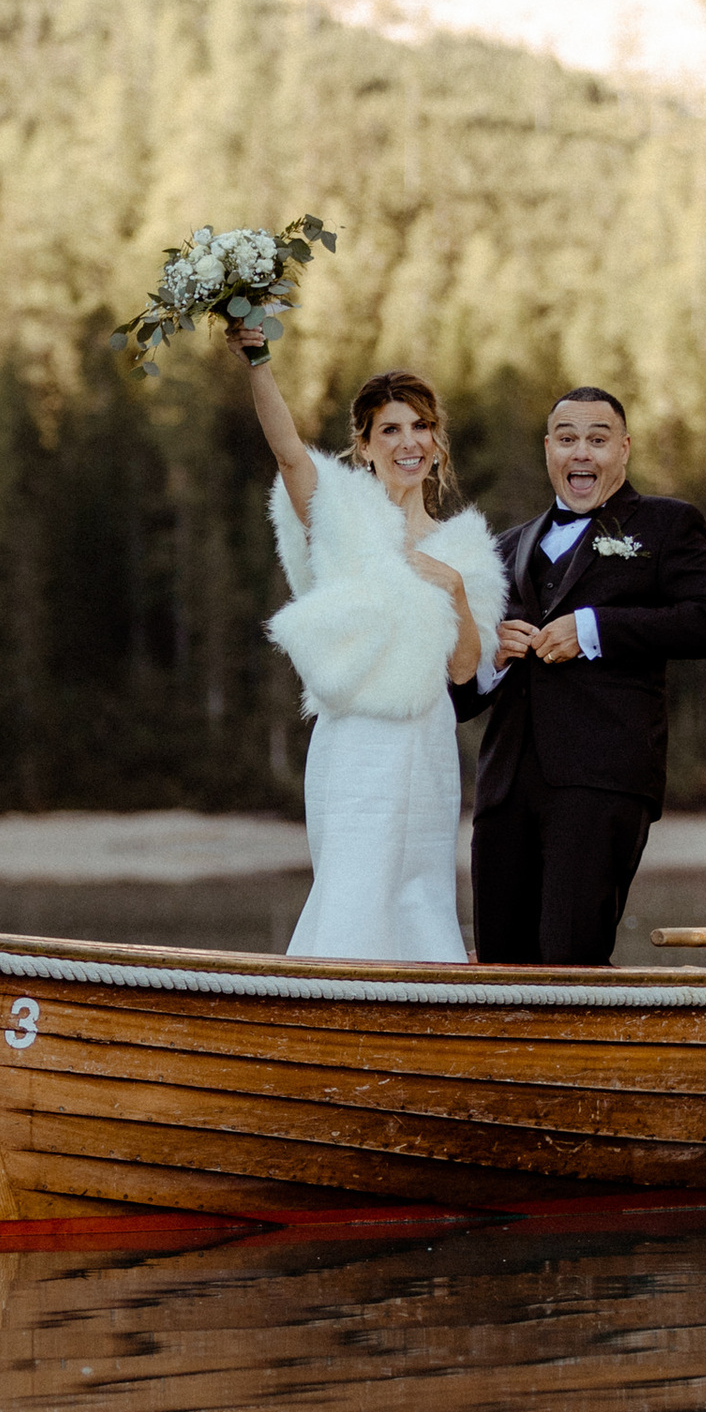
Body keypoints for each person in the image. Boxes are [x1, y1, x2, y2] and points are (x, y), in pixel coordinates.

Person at [234, 341, 505, 962]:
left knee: (420, 889)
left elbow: (465, 670)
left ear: (436, 441)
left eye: (420, 427)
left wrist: (455, 590)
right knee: (355, 884)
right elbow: (288, 453)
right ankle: (329, 1002)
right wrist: (257, 361)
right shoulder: (340, 515)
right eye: (391, 429)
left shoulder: (465, 549)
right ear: (365, 445)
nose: (409, 442)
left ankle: (423, 1005)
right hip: (356, 741)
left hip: (428, 744)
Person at [456, 386, 706, 965]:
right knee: (498, 966)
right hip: (504, 787)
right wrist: (491, 658)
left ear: (624, 449)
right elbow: (461, 700)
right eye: (567, 439)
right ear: (548, 450)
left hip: (602, 780)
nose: (581, 452)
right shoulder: (506, 547)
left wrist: (593, 629)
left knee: (571, 960)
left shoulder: (667, 524)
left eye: (597, 439)